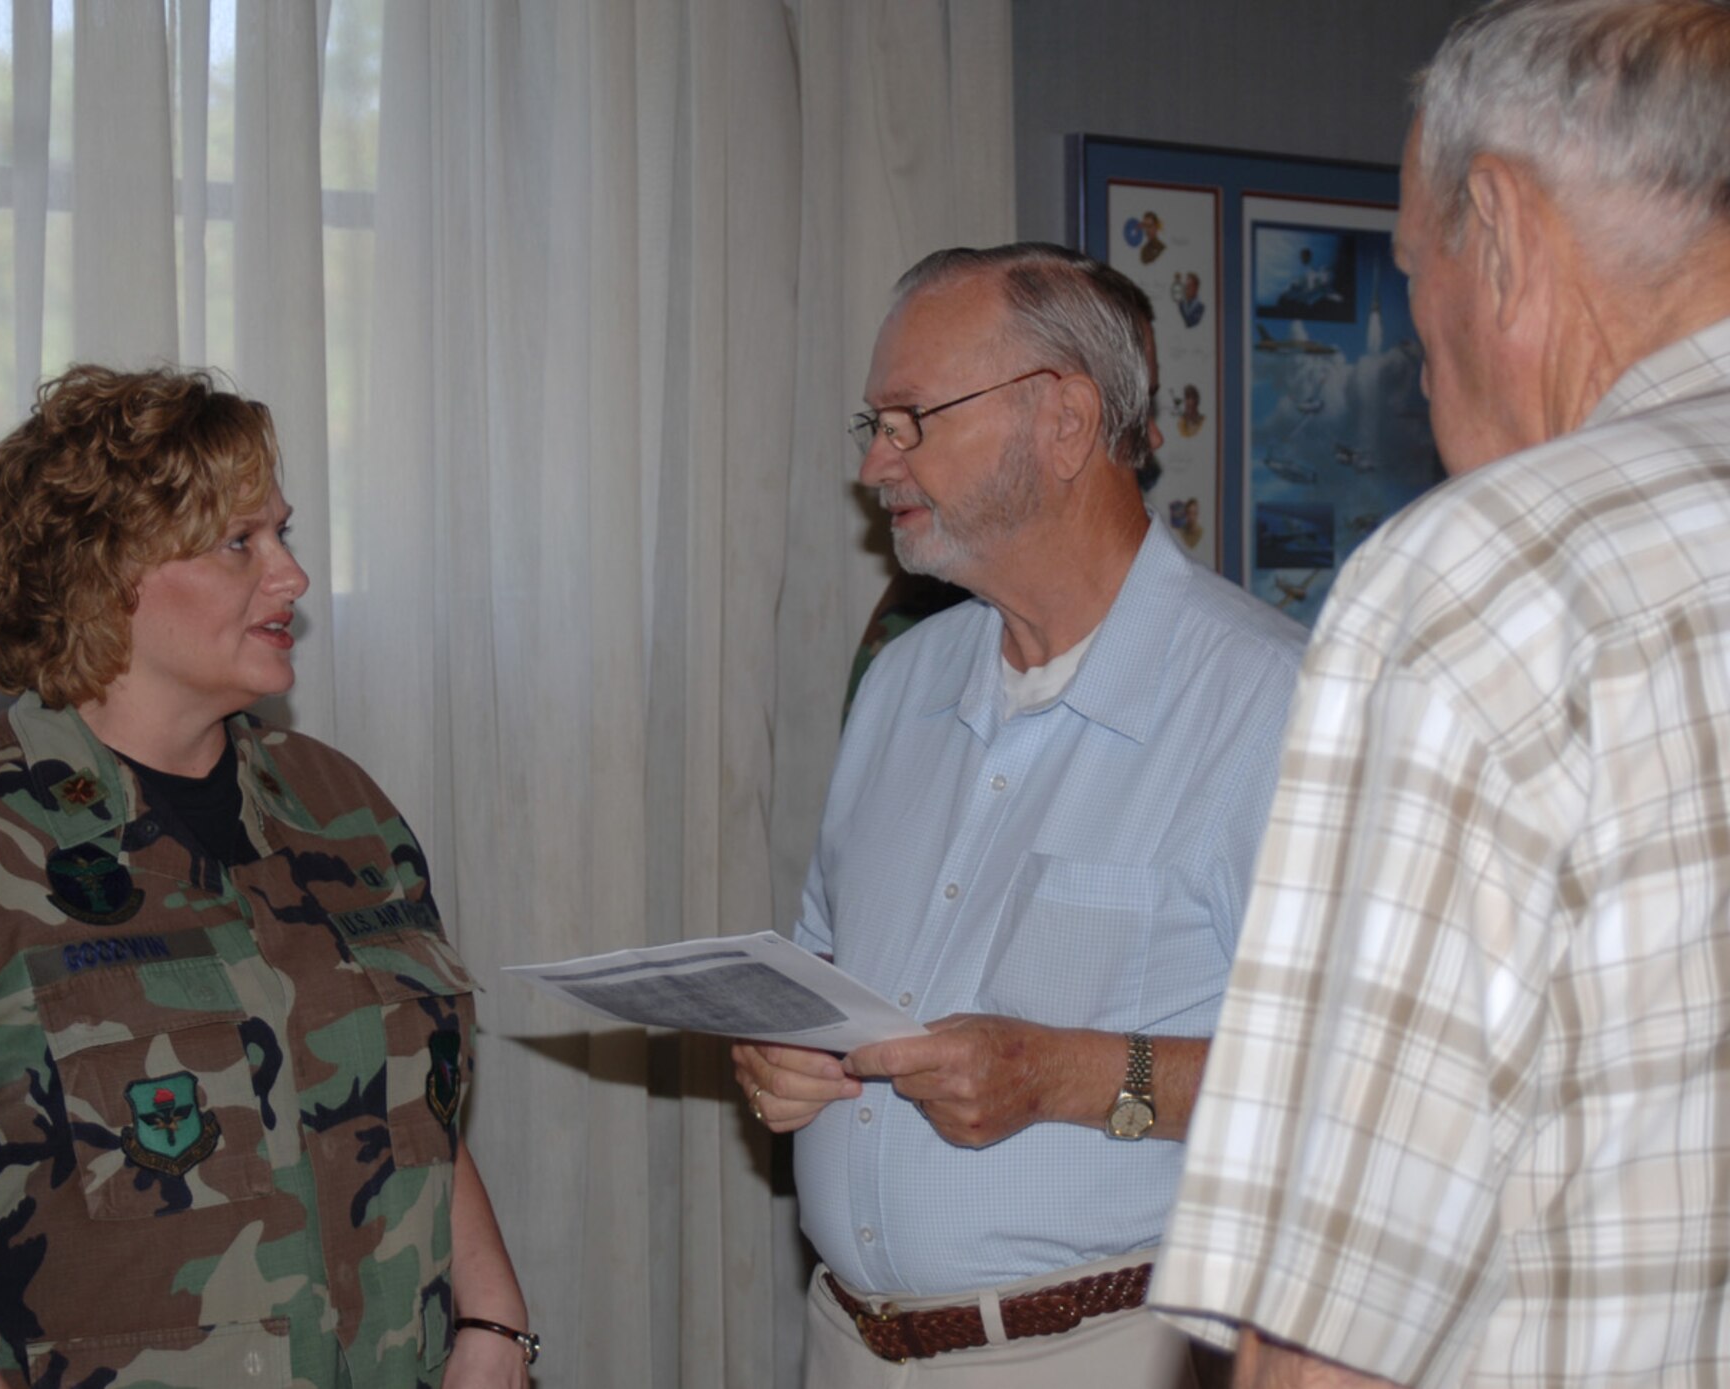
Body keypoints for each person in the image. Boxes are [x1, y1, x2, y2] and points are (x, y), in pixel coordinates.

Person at [0, 366, 535, 1389]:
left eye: (283, 535)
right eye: (240, 542)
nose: (289, 577)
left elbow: (412, 1099)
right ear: (106, 573)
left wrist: (493, 1324)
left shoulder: (341, 810)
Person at [1148, 2, 1730, 1385]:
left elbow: (1335, 1320)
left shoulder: (1491, 578)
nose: (1416, 347)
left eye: (1415, 267)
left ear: (1503, 226)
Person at [733, 244, 1307, 1386]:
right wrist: (781, 1050)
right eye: (872, 424)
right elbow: (823, 961)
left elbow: (1343, 1085)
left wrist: (1065, 1077)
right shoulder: (902, 682)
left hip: (1104, 1354)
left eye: (909, 419)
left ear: (1060, 420)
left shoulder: (1272, 702)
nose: (875, 464)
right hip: (846, 1344)